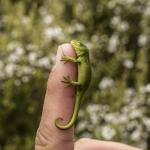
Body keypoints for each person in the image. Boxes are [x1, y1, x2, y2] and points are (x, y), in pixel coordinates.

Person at [35, 43, 142, 150]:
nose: (75, 44)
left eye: (79, 45)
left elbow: (75, 61)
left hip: (79, 84)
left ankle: (71, 83)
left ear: (83, 50)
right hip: (80, 84)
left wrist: (71, 80)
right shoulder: (83, 59)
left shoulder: (82, 59)